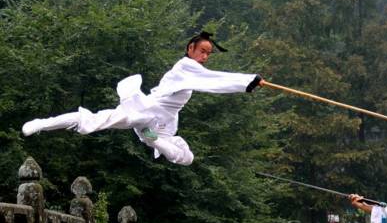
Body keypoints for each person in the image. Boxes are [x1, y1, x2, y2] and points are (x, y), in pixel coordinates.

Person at [22, 31, 264, 165]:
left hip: (162, 124)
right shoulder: (184, 67)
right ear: (190, 48)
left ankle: (154, 141)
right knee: (95, 120)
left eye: (208, 54)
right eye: (202, 51)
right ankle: (42, 124)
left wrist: (249, 83)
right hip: (147, 111)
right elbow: (214, 81)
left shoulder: (191, 70)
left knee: (185, 158)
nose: (204, 57)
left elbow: (210, 79)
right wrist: (249, 81)